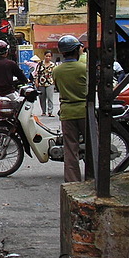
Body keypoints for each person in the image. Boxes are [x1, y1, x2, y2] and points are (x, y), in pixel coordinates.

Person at [52, 35, 87, 183]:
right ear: (75, 50)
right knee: (92, 147)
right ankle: (94, 179)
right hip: (85, 111)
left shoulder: (57, 71)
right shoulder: (84, 68)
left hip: (67, 112)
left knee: (70, 150)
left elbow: (58, 88)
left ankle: (73, 182)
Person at [33, 51, 56, 117]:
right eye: (47, 56)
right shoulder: (40, 64)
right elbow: (37, 73)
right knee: (42, 98)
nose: (48, 57)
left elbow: (55, 74)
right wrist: (36, 81)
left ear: (51, 57)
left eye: (49, 56)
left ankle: (50, 112)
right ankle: (43, 111)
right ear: (44, 56)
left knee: (50, 98)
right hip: (41, 83)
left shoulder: (53, 65)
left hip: (50, 83)